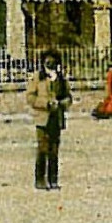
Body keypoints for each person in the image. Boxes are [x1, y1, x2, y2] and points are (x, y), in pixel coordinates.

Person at [26, 51, 73, 190]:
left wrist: (61, 104)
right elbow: (30, 97)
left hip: (56, 119)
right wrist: (45, 103)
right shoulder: (37, 78)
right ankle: (40, 180)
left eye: (53, 60)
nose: (50, 62)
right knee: (42, 150)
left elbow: (68, 97)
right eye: (47, 60)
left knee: (54, 151)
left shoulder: (61, 79)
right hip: (42, 119)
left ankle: (53, 180)